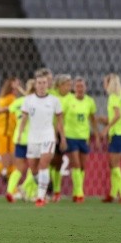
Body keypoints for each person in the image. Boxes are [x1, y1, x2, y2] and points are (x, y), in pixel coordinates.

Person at [18, 74, 66, 207]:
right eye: (39, 82)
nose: (41, 85)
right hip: (33, 138)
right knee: (33, 169)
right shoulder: (28, 100)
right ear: (35, 84)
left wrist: (62, 138)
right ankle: (45, 185)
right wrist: (20, 134)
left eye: (44, 83)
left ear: (48, 85)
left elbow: (60, 122)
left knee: (44, 165)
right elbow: (24, 119)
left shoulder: (54, 101)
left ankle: (40, 197)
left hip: (48, 137)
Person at [63, 76, 99, 203]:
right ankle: (79, 192)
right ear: (74, 88)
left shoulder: (90, 102)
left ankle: (76, 191)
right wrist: (61, 136)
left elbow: (93, 119)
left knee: (83, 166)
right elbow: (60, 118)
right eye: (77, 86)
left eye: (81, 86)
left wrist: (97, 135)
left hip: (84, 137)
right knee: (76, 164)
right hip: (71, 136)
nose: (79, 89)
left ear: (85, 88)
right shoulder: (68, 101)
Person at [98, 73, 121, 203]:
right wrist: (103, 120)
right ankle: (112, 193)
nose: (103, 85)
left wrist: (106, 128)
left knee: (114, 164)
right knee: (112, 164)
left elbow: (117, 115)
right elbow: (120, 116)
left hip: (118, 134)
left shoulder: (113, 97)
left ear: (109, 84)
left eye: (105, 82)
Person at [5, 79, 36, 202]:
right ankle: (29, 192)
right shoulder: (37, 103)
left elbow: (7, 110)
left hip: (19, 137)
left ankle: (10, 191)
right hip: (33, 138)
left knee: (19, 167)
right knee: (34, 167)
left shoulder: (18, 102)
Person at [49, 74, 72, 202]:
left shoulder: (70, 99)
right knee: (45, 161)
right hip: (46, 132)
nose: (69, 87)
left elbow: (61, 120)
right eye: (67, 84)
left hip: (61, 133)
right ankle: (38, 188)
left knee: (58, 163)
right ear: (60, 85)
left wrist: (62, 136)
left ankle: (56, 191)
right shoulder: (51, 94)